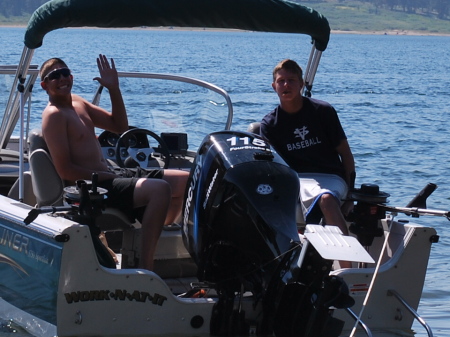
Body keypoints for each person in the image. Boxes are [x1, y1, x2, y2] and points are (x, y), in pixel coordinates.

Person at [40, 54, 189, 270]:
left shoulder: (77, 102)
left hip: (112, 175)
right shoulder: (54, 116)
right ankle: (146, 268)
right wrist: (105, 176)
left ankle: (148, 231)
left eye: (65, 73)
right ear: (45, 85)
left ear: (71, 77)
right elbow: (65, 171)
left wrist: (113, 88)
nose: (62, 78)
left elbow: (119, 126)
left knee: (186, 181)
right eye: (55, 76)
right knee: (160, 190)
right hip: (94, 188)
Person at [260, 59, 355, 265]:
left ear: (301, 84)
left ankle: (348, 268)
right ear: (274, 86)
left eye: (292, 80)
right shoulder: (269, 124)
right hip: (297, 179)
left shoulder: (323, 111)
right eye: (281, 81)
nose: (286, 85)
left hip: (330, 177)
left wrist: (350, 196)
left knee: (327, 199)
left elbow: (346, 155)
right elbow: (272, 167)